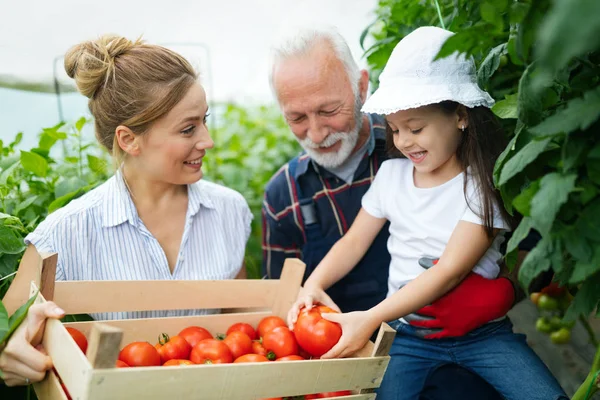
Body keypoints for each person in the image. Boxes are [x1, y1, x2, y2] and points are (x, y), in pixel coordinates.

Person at [287, 26, 567, 400]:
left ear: (461, 117)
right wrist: (314, 283)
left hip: (482, 333)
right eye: (396, 130)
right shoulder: (392, 177)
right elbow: (353, 241)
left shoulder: (482, 186)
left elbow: (450, 270)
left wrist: (371, 317)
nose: (403, 142)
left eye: (416, 128)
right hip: (409, 335)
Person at [0, 34, 252, 386]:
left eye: (204, 119)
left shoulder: (229, 211)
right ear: (129, 139)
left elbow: (241, 323)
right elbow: (7, 327)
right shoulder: (67, 231)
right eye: (188, 128)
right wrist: (9, 351)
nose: (207, 140)